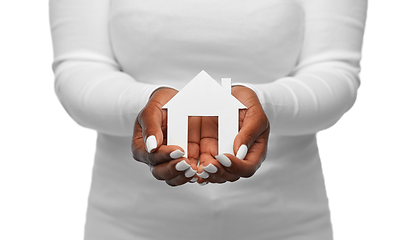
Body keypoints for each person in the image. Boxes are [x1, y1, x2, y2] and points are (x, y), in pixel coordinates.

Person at [49, 0, 367, 239]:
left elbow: (334, 71)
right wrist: (143, 105)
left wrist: (266, 103)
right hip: (127, 225)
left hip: (287, 223)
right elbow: (80, 68)